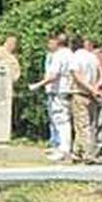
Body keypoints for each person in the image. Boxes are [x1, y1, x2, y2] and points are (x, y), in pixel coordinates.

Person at [29, 33, 73, 162]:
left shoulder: (59, 56)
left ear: (57, 43)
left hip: (58, 91)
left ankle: (64, 149)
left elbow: (53, 76)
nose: (48, 45)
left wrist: (37, 85)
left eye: (50, 43)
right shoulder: (70, 54)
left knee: (60, 120)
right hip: (66, 90)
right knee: (63, 120)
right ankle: (62, 147)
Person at [68, 35, 102, 163]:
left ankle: (88, 153)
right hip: (92, 96)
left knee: (82, 125)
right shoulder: (93, 57)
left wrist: (91, 89)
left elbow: (77, 76)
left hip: (80, 93)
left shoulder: (75, 58)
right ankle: (76, 153)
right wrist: (97, 87)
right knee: (89, 124)